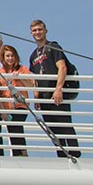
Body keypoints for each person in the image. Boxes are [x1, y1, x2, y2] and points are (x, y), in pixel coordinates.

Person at [28, 19, 79, 158]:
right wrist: (36, 97)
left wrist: (59, 89)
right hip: (44, 97)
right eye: (34, 30)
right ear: (31, 33)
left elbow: (62, 67)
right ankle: (61, 154)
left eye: (40, 29)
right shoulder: (33, 56)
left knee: (64, 122)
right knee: (52, 127)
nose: (37, 32)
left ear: (45, 31)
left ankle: (74, 153)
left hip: (56, 93)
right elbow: (35, 79)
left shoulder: (53, 46)